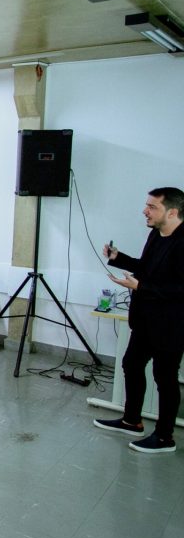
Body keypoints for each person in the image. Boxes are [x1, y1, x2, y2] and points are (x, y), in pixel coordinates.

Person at [95, 187, 184, 454]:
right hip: (145, 319)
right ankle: (131, 421)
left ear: (173, 212)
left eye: (152, 207)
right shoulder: (156, 235)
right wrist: (117, 258)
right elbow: (147, 269)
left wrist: (140, 288)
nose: (145, 211)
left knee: (164, 377)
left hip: (172, 324)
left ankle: (165, 437)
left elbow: (181, 289)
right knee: (131, 364)